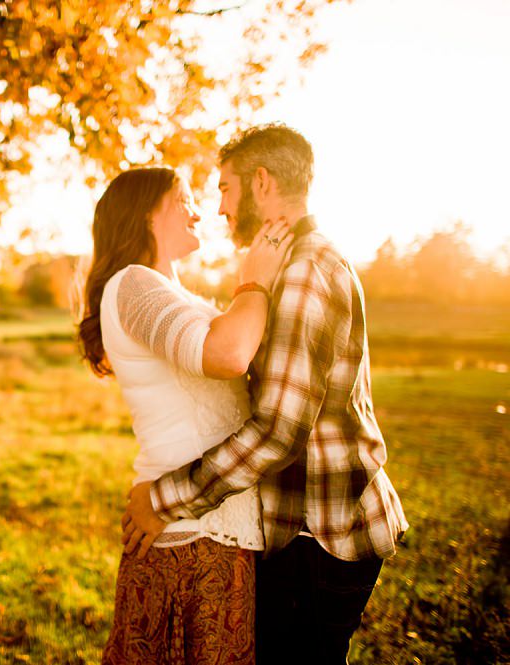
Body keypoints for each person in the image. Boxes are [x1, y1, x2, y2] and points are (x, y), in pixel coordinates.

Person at [124, 124, 409, 665]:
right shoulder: (286, 263)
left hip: (323, 534)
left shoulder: (306, 271)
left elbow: (279, 430)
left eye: (225, 189)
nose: (220, 208)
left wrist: (162, 500)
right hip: (301, 527)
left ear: (261, 183)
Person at [79, 166, 294, 664]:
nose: (198, 210)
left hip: (209, 526)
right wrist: (255, 282)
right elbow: (226, 355)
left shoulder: (169, 292)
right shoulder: (132, 284)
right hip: (187, 539)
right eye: (184, 198)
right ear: (146, 213)